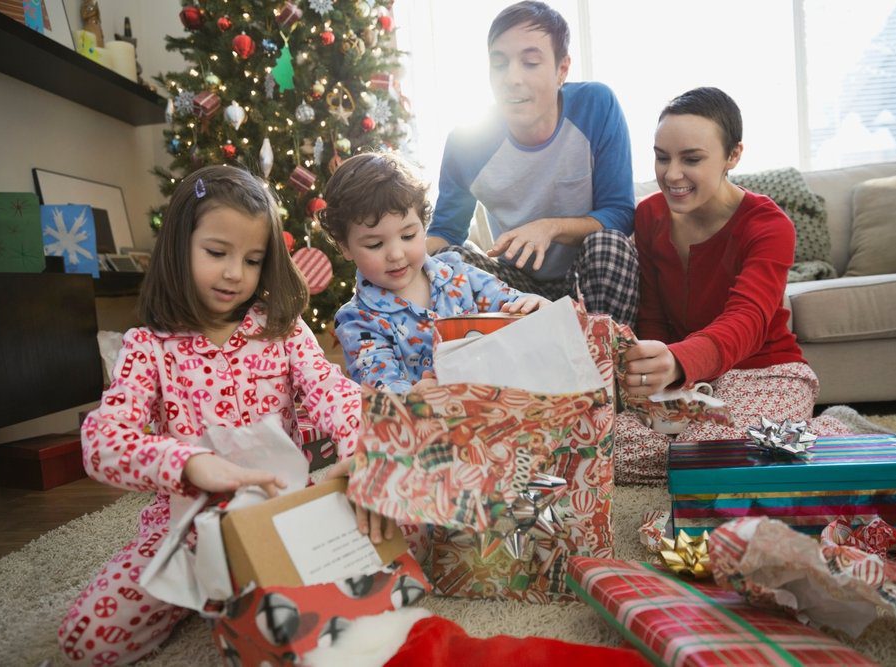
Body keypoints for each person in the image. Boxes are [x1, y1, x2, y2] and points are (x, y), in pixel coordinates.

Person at [57, 166, 374, 665]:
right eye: (216, 253)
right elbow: (102, 442)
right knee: (86, 640)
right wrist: (187, 464)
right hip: (186, 525)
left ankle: (243, 595)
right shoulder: (146, 347)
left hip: (282, 511)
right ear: (181, 246)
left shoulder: (284, 331)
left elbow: (334, 392)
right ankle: (211, 593)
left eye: (252, 260)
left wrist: (359, 449)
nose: (235, 274)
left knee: (396, 529)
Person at [616, 87, 850, 482]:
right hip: (686, 377)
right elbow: (653, 314)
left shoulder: (768, 225)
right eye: (661, 157)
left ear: (733, 156)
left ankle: (826, 436)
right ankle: (769, 445)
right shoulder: (649, 215)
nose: (671, 174)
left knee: (710, 450)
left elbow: (748, 319)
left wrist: (677, 360)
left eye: (691, 159)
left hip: (762, 369)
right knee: (595, 444)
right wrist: (659, 380)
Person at [427, 1, 638, 325]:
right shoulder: (466, 143)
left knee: (608, 244)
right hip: (515, 288)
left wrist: (550, 227)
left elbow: (620, 215)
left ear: (562, 69)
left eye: (530, 62)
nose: (512, 78)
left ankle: (603, 362)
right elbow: (446, 234)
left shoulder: (596, 106)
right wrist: (389, 257)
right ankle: (514, 366)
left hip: (587, 278)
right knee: (446, 260)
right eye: (499, 64)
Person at [324, 152, 549, 394]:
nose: (396, 254)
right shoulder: (358, 320)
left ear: (423, 226)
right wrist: (414, 396)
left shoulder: (461, 275)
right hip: (423, 427)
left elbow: (512, 305)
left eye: (408, 236)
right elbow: (381, 387)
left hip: (495, 411)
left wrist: (533, 305)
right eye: (375, 245)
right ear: (345, 246)